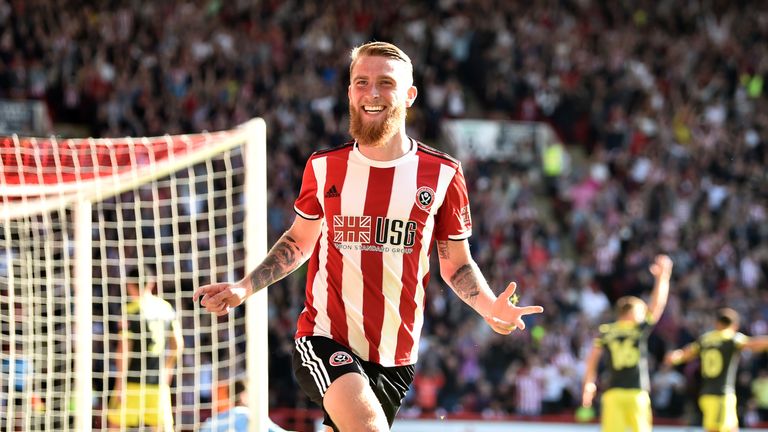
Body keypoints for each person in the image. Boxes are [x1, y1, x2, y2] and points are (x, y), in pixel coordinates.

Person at [193, 41, 544, 432]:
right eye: (361, 82)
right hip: (325, 338)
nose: (371, 93)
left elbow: (456, 264)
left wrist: (488, 308)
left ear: (409, 95)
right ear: (349, 92)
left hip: (396, 357)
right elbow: (298, 242)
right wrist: (244, 287)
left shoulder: (443, 174)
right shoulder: (324, 168)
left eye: (385, 83)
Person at [580, 254, 673, 432]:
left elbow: (592, 360)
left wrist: (588, 386)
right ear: (632, 312)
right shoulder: (638, 329)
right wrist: (663, 277)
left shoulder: (605, 331)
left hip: (613, 393)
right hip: (636, 392)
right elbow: (657, 305)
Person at [664, 308, 768, 432]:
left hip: (708, 393)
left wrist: (674, 356)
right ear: (735, 325)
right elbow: (753, 344)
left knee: (731, 428)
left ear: (716, 323)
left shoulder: (705, 339)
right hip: (720, 395)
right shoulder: (730, 338)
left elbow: (685, 354)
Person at [107, 265, 183, 431]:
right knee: (160, 427)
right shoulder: (166, 308)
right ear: (151, 283)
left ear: (129, 285)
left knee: (115, 424)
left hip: (133, 382)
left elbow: (124, 349)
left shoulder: (129, 311)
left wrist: (120, 383)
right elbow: (178, 344)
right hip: (158, 381)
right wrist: (168, 369)